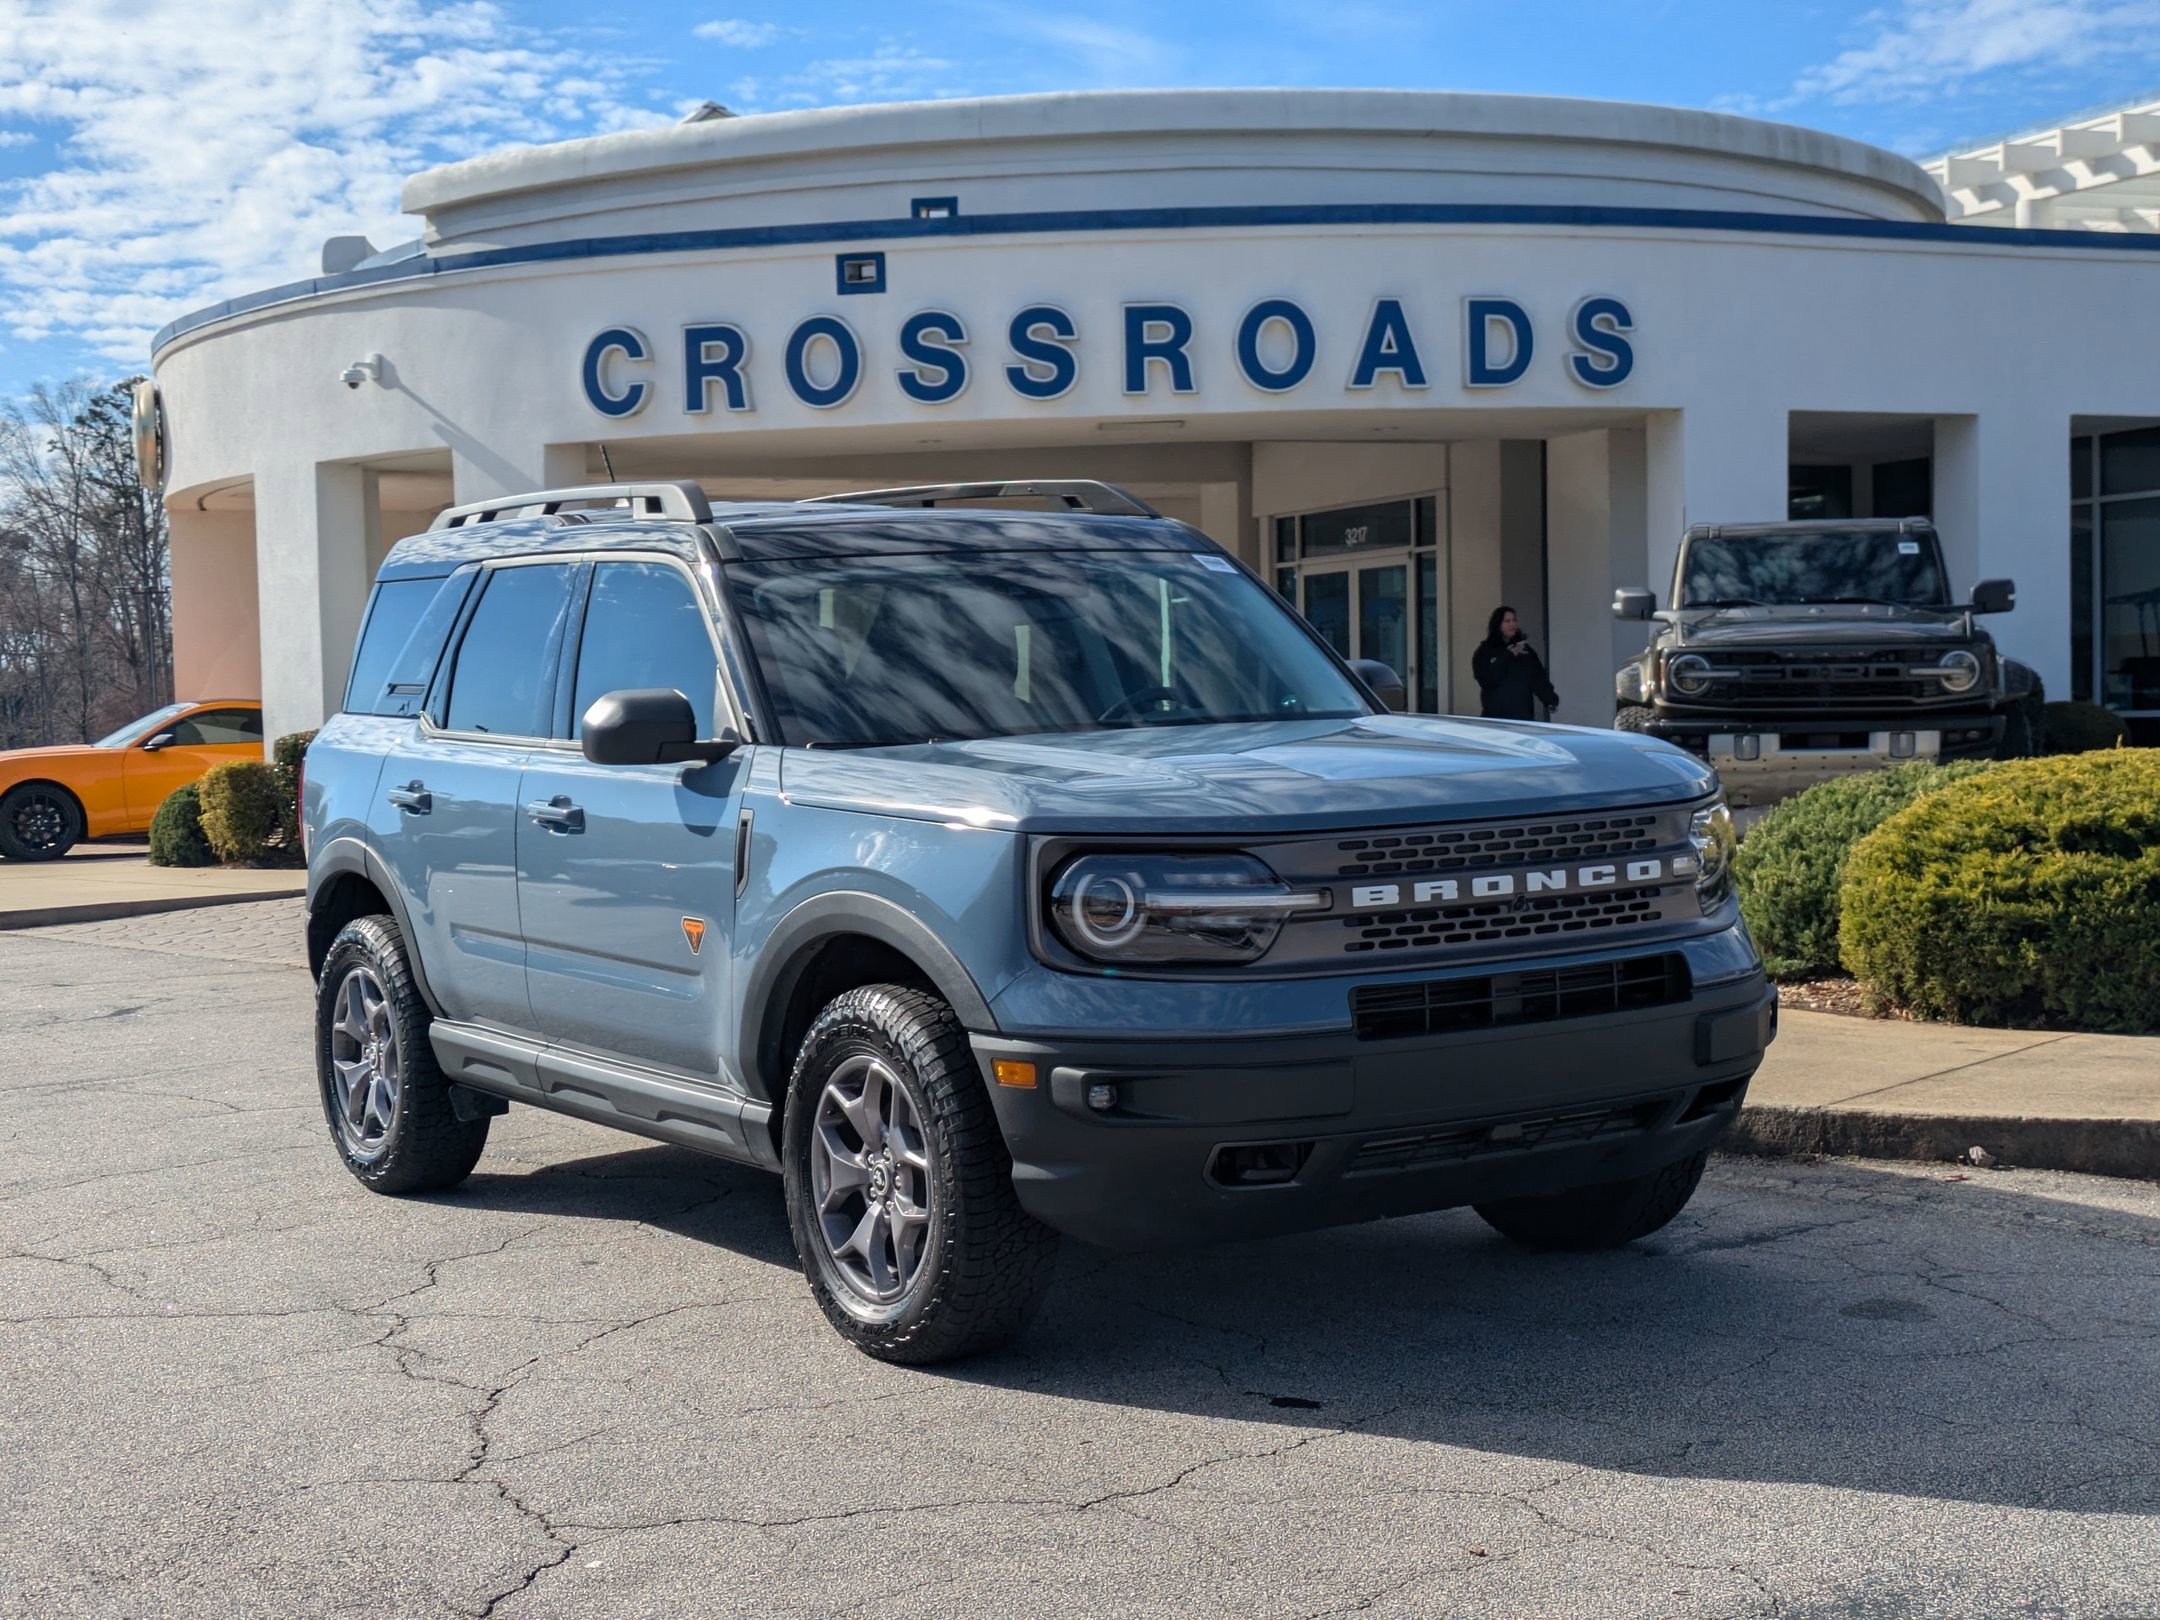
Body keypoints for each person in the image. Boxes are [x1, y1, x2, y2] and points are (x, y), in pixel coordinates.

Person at [1471, 605, 1559, 721]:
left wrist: (1549, 699)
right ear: (1498, 625)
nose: (1512, 624)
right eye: (1507, 621)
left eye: (1514, 620)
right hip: (1495, 716)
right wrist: (1508, 656)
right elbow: (1486, 679)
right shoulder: (1485, 651)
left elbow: (1538, 677)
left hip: (1522, 715)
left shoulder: (1525, 651)